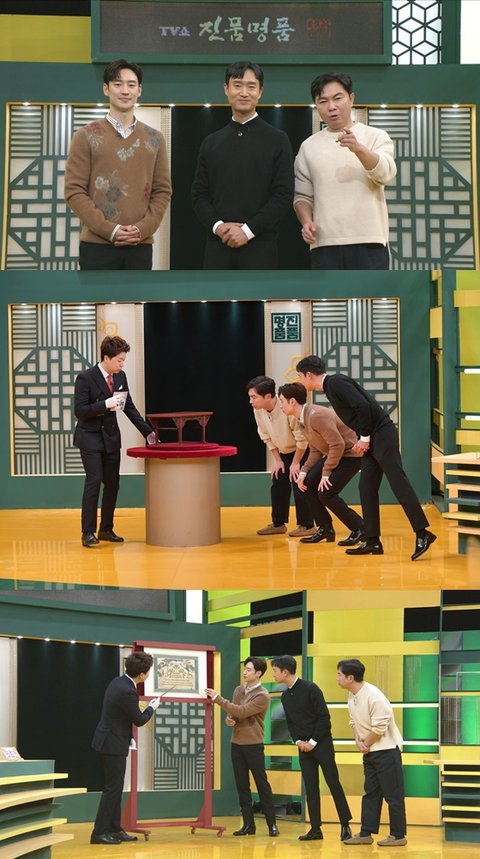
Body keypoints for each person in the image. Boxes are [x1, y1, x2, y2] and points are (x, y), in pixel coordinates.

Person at [296, 355, 436, 560]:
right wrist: (363, 439)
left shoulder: (335, 382)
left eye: (300, 376)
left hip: (382, 435)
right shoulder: (331, 386)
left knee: (399, 483)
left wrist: (364, 438)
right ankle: (372, 540)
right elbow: (358, 411)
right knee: (366, 488)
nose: (300, 381)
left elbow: (362, 406)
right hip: (372, 438)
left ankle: (423, 533)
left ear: (308, 375)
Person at [65, 58, 172, 270]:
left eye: (131, 85)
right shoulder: (85, 135)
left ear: (139, 90)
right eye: (117, 84)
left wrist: (141, 230)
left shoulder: (155, 138)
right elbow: (74, 191)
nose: (125, 91)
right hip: (96, 247)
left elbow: (163, 190)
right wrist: (110, 230)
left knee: (138, 295)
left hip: (140, 245)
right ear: (106, 89)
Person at [192, 60, 294, 269]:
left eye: (251, 86)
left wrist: (247, 231)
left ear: (260, 91)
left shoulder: (277, 139)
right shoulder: (211, 142)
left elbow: (283, 195)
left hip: (261, 247)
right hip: (217, 247)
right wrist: (219, 227)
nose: (244, 93)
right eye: (237, 85)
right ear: (226, 89)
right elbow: (199, 195)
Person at [294, 72, 396, 270]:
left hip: (370, 241)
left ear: (351, 98)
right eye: (323, 101)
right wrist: (306, 222)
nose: (331, 106)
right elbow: (302, 196)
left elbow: (386, 174)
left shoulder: (375, 136)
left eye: (337, 98)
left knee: (370, 291)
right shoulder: (308, 146)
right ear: (316, 106)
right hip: (324, 244)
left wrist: (359, 149)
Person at [74, 335, 155, 548]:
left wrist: (148, 433)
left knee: (112, 484)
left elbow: (129, 407)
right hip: (90, 438)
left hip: (110, 438)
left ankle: (106, 529)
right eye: (119, 360)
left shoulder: (120, 377)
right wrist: (105, 404)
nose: (122, 364)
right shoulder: (85, 378)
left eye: (123, 360)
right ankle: (87, 532)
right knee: (94, 481)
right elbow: (79, 411)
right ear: (106, 358)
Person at [271, 655, 352, 842]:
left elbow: (324, 718)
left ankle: (345, 824)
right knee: (311, 787)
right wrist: (298, 742)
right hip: (303, 747)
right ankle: (316, 828)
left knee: (333, 783)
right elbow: (290, 723)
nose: (273, 674)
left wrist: (313, 742)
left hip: (321, 744)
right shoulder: (285, 696)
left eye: (275, 670)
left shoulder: (311, 688)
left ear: (285, 672)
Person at [278, 383, 364, 546]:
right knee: (307, 484)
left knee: (326, 493)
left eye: (281, 401)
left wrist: (326, 473)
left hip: (351, 455)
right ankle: (325, 528)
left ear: (292, 401)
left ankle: (360, 528)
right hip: (336, 454)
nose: (280, 405)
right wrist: (303, 471)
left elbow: (338, 444)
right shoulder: (301, 418)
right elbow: (316, 449)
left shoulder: (316, 416)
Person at [91, 651, 160, 845]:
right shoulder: (128, 691)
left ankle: (115, 828)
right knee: (112, 789)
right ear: (142, 675)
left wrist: (129, 739)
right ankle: (99, 833)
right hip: (112, 744)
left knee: (115, 787)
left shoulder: (118, 681)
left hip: (110, 740)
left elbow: (120, 717)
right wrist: (152, 707)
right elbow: (139, 719)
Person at [205, 657, 279, 837]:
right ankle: (248, 825)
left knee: (261, 784)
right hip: (236, 743)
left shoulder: (262, 695)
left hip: (253, 745)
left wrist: (218, 699)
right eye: (245, 669)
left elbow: (242, 711)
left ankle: (272, 824)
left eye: (249, 669)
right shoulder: (239, 690)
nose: (245, 672)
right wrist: (230, 719)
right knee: (242, 785)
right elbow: (235, 713)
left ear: (258, 673)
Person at [337, 659, 407, 847]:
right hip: (370, 752)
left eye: (339, 674)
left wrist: (365, 743)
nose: (337, 678)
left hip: (387, 751)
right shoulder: (352, 695)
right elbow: (353, 721)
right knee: (371, 793)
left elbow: (380, 727)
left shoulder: (374, 695)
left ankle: (398, 835)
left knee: (393, 796)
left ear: (350, 677)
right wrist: (358, 740)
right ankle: (366, 833)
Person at [247, 376, 315, 537]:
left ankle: (307, 525)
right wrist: (278, 460)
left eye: (254, 397)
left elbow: (302, 439)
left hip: (302, 451)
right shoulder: (258, 410)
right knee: (278, 480)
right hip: (283, 452)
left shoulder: (287, 408)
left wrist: (295, 463)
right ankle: (278, 523)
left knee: (299, 483)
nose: (251, 401)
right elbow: (264, 434)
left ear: (268, 396)